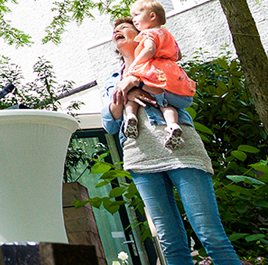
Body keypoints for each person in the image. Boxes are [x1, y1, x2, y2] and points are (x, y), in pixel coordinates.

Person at [102, 17, 239, 265]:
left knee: (210, 233)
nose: (117, 31)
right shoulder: (112, 79)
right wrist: (126, 90)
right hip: (141, 159)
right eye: (115, 30)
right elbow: (110, 123)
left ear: (142, 36)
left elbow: (184, 99)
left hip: (182, 151)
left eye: (125, 28)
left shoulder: (163, 65)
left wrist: (141, 82)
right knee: (169, 241)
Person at [117, 0, 196, 149]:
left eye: (137, 15)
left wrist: (135, 64)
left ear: (152, 16)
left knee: (132, 89)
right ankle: (172, 126)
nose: (134, 19)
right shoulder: (167, 34)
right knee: (164, 104)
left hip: (155, 72)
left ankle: (131, 116)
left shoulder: (148, 33)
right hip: (171, 74)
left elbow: (149, 50)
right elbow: (178, 55)